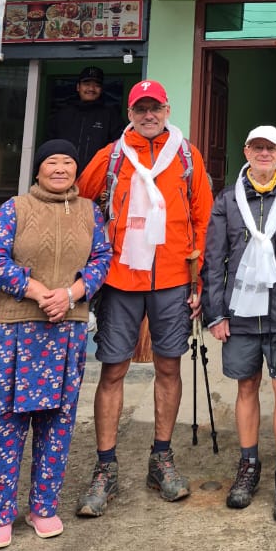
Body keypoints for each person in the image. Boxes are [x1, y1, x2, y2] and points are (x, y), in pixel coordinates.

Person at [74, 78, 213, 516]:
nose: (149, 115)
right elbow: (79, 203)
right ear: (130, 113)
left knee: (169, 367)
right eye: (141, 109)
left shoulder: (187, 156)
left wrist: (199, 281)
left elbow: (203, 220)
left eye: (155, 108)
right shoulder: (112, 156)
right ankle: (105, 467)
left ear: (167, 110)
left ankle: (161, 459)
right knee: (113, 369)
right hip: (120, 278)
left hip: (173, 277)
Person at [0, 139, 113, 549]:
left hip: (66, 330)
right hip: (14, 331)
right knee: (7, 424)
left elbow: (101, 260)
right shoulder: (14, 208)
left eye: (68, 162)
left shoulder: (91, 212)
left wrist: (70, 295)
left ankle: (44, 508)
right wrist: (37, 291)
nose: (60, 169)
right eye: (52, 161)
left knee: (57, 423)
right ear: (38, 169)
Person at [202, 125, 276, 523]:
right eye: (257, 147)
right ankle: (248, 464)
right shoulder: (228, 199)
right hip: (240, 307)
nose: (264, 154)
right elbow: (213, 259)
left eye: (271, 148)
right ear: (246, 151)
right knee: (246, 384)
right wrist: (215, 312)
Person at [45, 65, 125, 173]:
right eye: (87, 84)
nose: (91, 89)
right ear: (78, 87)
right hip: (64, 175)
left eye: (96, 85)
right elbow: (50, 147)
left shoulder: (111, 116)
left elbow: (119, 148)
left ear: (101, 89)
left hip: (98, 176)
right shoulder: (62, 114)